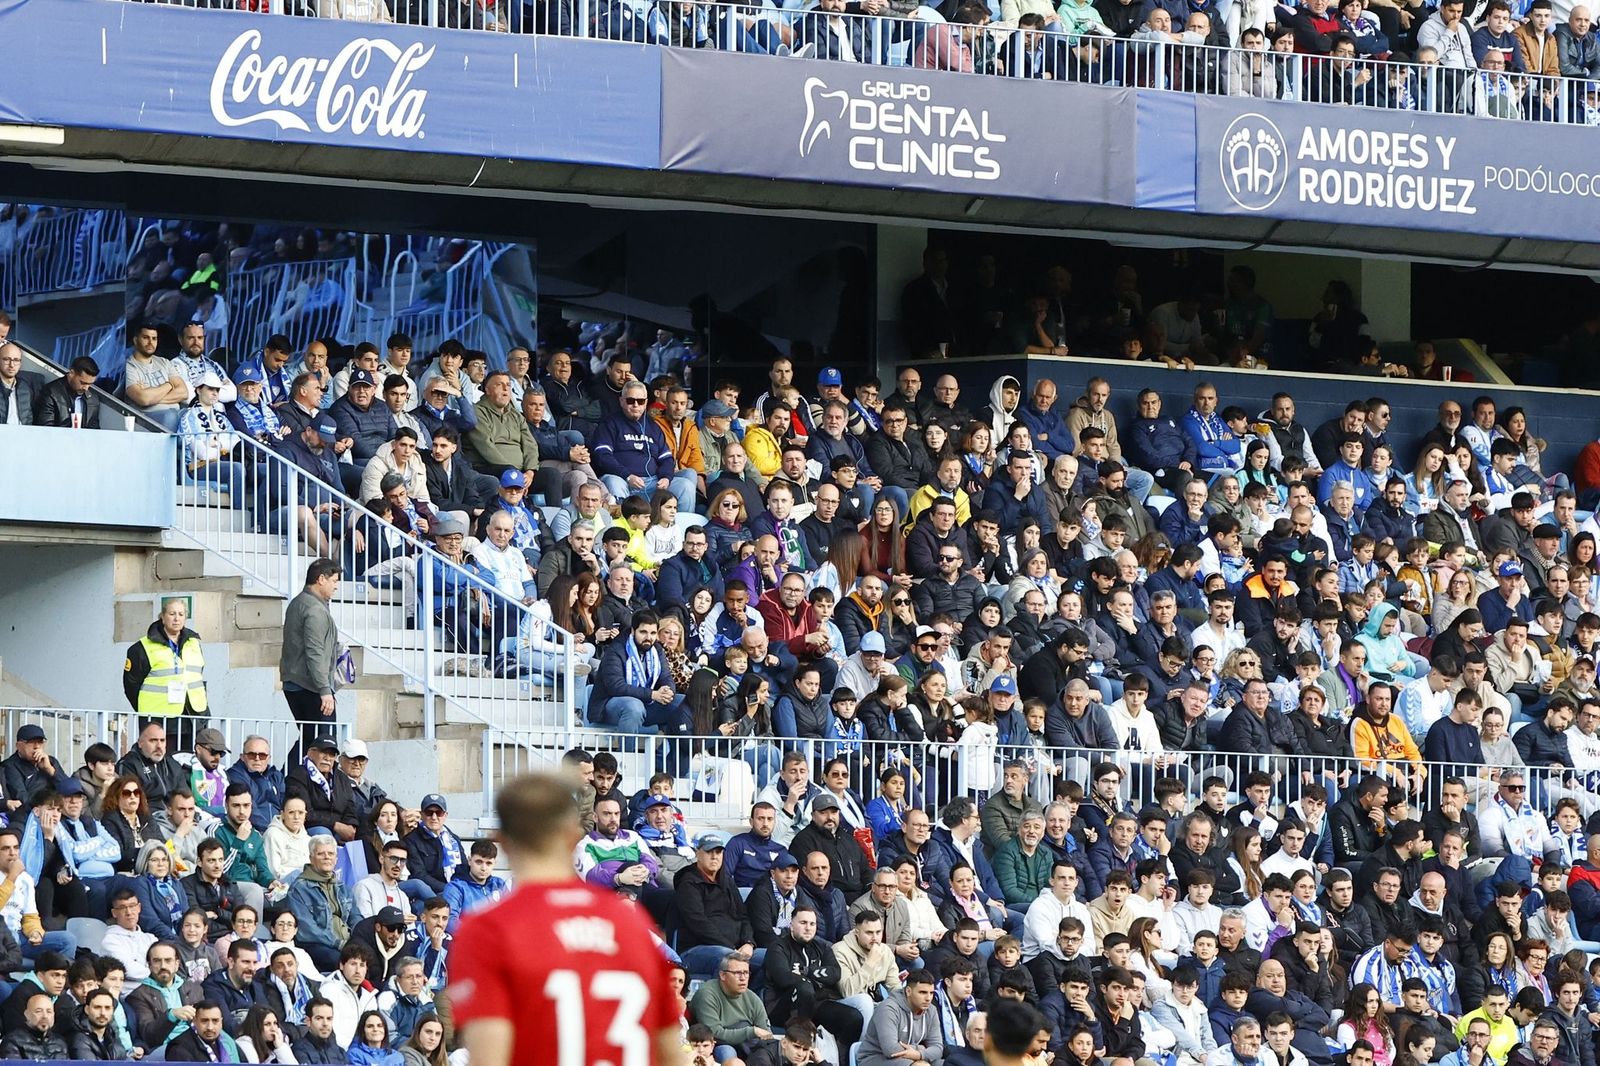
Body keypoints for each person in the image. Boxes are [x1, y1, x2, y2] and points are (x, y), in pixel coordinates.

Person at [450, 773, 681, 1066]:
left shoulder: (487, 929)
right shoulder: (629, 921)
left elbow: (489, 1057)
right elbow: (671, 1051)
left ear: (503, 842)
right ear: (573, 836)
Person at [122, 597, 210, 752]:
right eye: (172, 614)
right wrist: (147, 709)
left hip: (194, 716)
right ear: (162, 617)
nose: (177, 618)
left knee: (191, 763)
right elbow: (131, 685)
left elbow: (196, 675)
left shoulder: (194, 643)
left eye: (181, 614)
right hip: (160, 720)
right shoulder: (142, 647)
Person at [280, 558, 344, 760]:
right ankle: (292, 780)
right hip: (310, 686)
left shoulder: (299, 602)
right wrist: (325, 690)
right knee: (324, 742)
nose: (337, 586)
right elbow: (315, 652)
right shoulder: (314, 609)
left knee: (309, 739)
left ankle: (288, 780)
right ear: (321, 579)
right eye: (334, 580)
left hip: (296, 682)